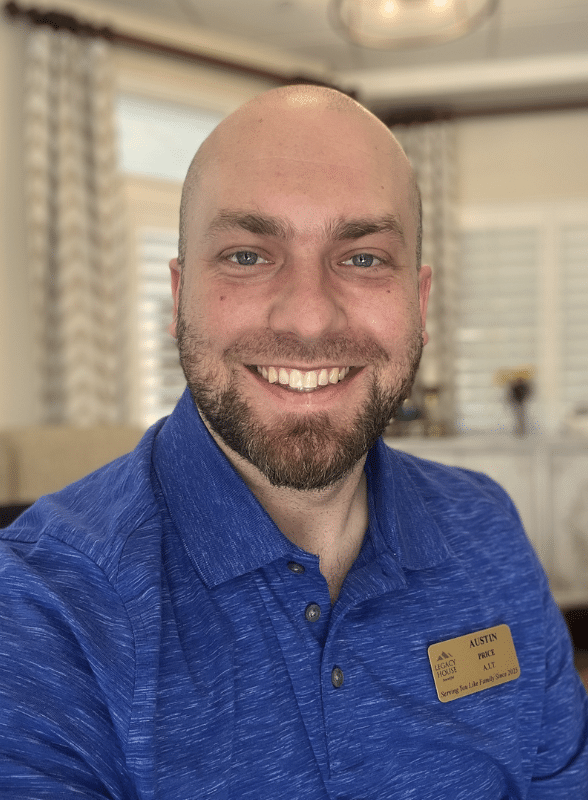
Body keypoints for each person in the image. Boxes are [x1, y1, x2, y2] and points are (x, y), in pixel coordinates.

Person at [0, 84, 586, 799]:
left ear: (419, 303)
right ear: (179, 299)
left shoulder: (486, 526)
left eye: (363, 258)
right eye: (248, 255)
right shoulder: (41, 604)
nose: (309, 318)